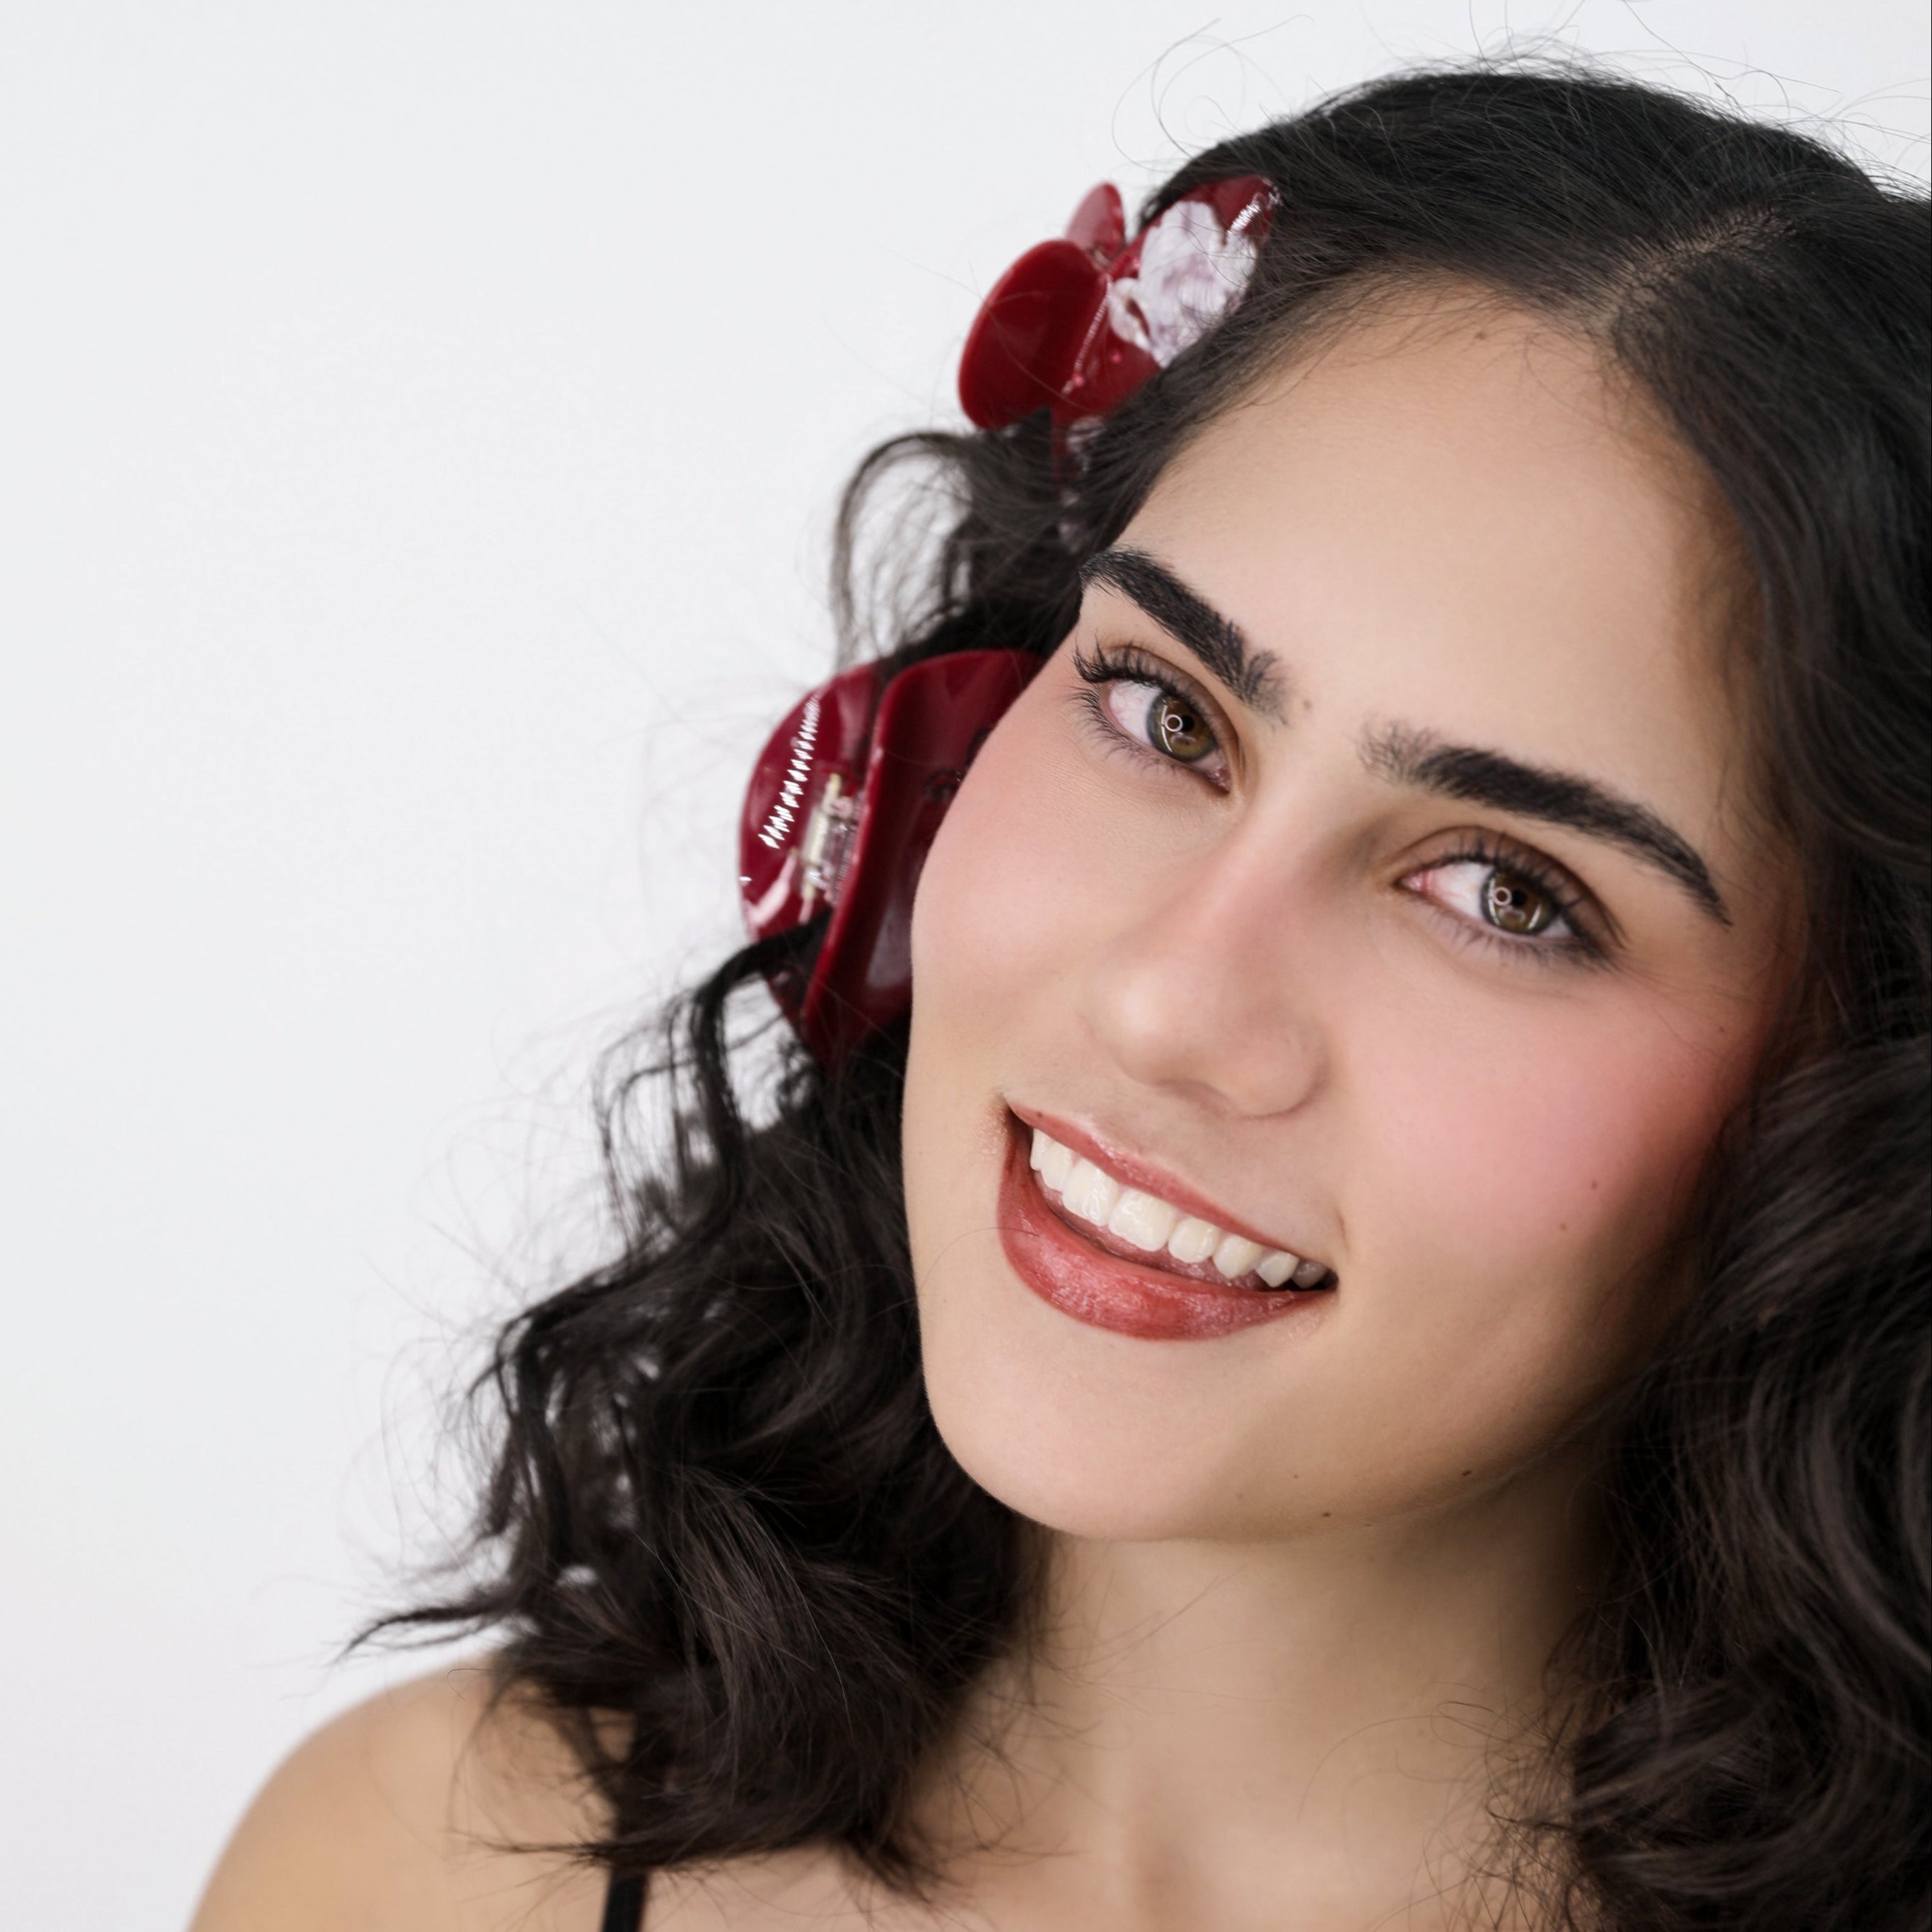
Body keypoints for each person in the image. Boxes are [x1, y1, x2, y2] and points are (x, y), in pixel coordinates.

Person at [188, 62, 1928, 1932]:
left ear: (1862, 1109)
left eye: (1507, 893)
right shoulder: (421, 1868)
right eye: (1165, 713)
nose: (1169, 1000)